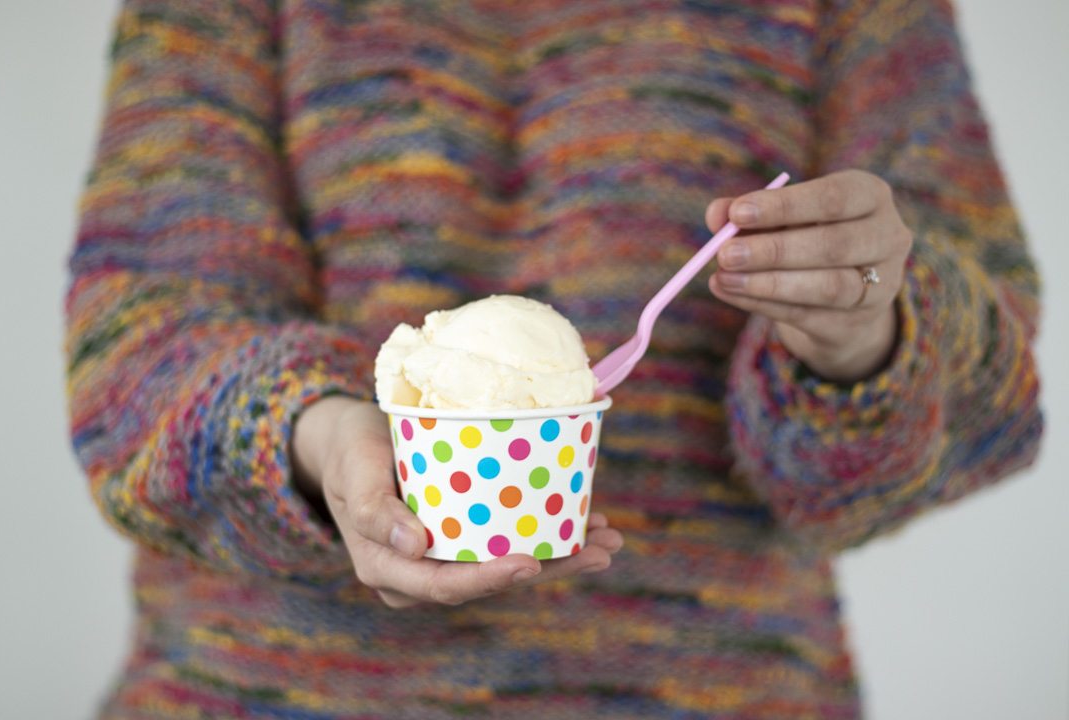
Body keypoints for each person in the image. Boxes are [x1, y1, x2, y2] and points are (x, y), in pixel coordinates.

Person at [65, 0, 1043, 716]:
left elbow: (978, 363)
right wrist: (321, 444)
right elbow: (140, 339)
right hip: (260, 691)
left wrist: (867, 340)